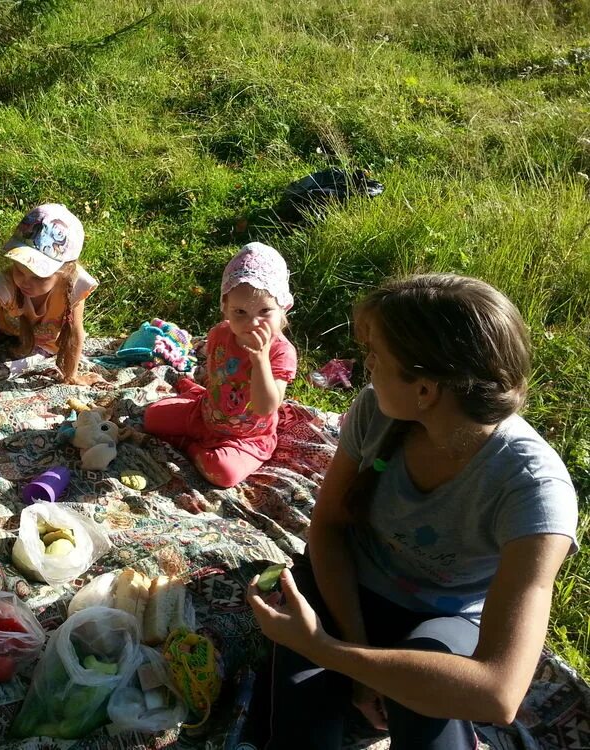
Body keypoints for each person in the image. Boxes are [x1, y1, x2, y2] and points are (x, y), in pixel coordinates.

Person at [246, 274, 579, 749]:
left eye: (376, 356)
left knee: (429, 706)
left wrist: (328, 650)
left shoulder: (533, 492)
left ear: (424, 391)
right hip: (352, 588)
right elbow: (330, 527)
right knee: (300, 725)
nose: (367, 366)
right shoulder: (378, 414)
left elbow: (497, 692)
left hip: (445, 616)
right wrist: (356, 655)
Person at [142, 242, 298, 488]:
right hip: (205, 414)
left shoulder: (280, 352)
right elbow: (218, 378)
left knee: (223, 474)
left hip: (247, 437)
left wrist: (259, 360)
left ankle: (190, 446)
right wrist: (204, 394)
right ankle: (193, 405)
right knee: (150, 417)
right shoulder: (220, 334)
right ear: (224, 308)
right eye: (240, 312)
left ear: (283, 309)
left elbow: (266, 406)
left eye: (265, 311)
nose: (253, 322)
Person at [0, 203, 101, 418]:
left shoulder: (74, 285)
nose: (25, 281)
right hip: (2, 325)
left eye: (39, 276)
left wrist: (71, 375)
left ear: (64, 271)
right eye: (20, 270)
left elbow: (75, 332)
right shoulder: (7, 283)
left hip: (41, 341)